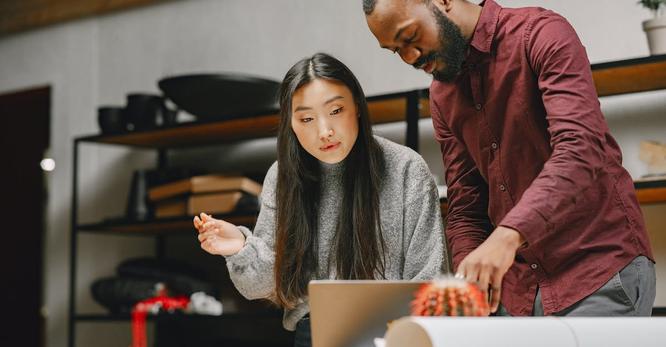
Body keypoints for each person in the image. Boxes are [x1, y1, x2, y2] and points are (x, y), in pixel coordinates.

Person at [364, 0, 655, 316]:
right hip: (517, 293)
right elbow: (466, 204)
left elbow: (579, 149)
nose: (409, 57)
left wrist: (506, 236)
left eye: (410, 37)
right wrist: (469, 281)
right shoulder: (442, 96)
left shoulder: (541, 34)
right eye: (395, 50)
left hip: (597, 271)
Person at [194, 52, 447, 347]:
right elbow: (264, 288)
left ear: (358, 107)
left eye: (336, 111)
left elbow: (429, 278)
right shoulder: (282, 176)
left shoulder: (405, 168)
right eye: (306, 118)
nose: (324, 131)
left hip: (396, 331)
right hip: (313, 334)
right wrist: (239, 248)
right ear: (291, 124)